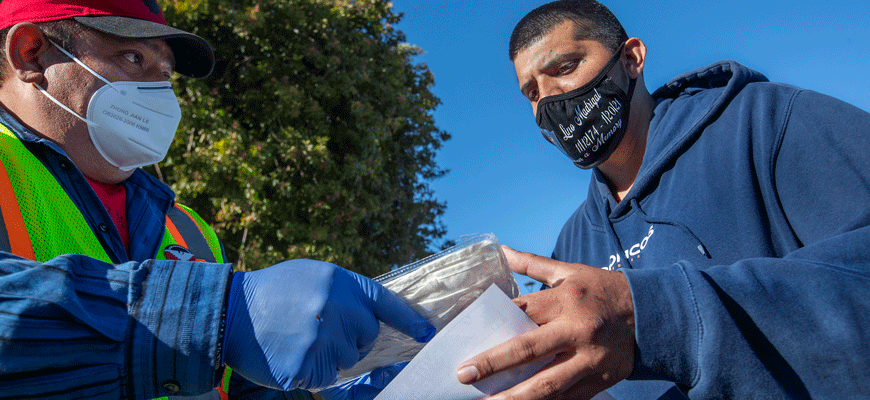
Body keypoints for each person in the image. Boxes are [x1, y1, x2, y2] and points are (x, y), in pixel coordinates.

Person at [0, 0, 435, 399]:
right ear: (31, 53)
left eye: (166, 75)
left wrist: (320, 393)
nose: (161, 95)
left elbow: (234, 382)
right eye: (134, 58)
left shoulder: (187, 228)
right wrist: (212, 313)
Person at [456, 0, 870, 399]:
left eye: (565, 67)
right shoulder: (572, 246)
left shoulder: (766, 122)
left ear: (631, 59)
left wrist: (653, 315)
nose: (549, 101)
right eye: (531, 93)